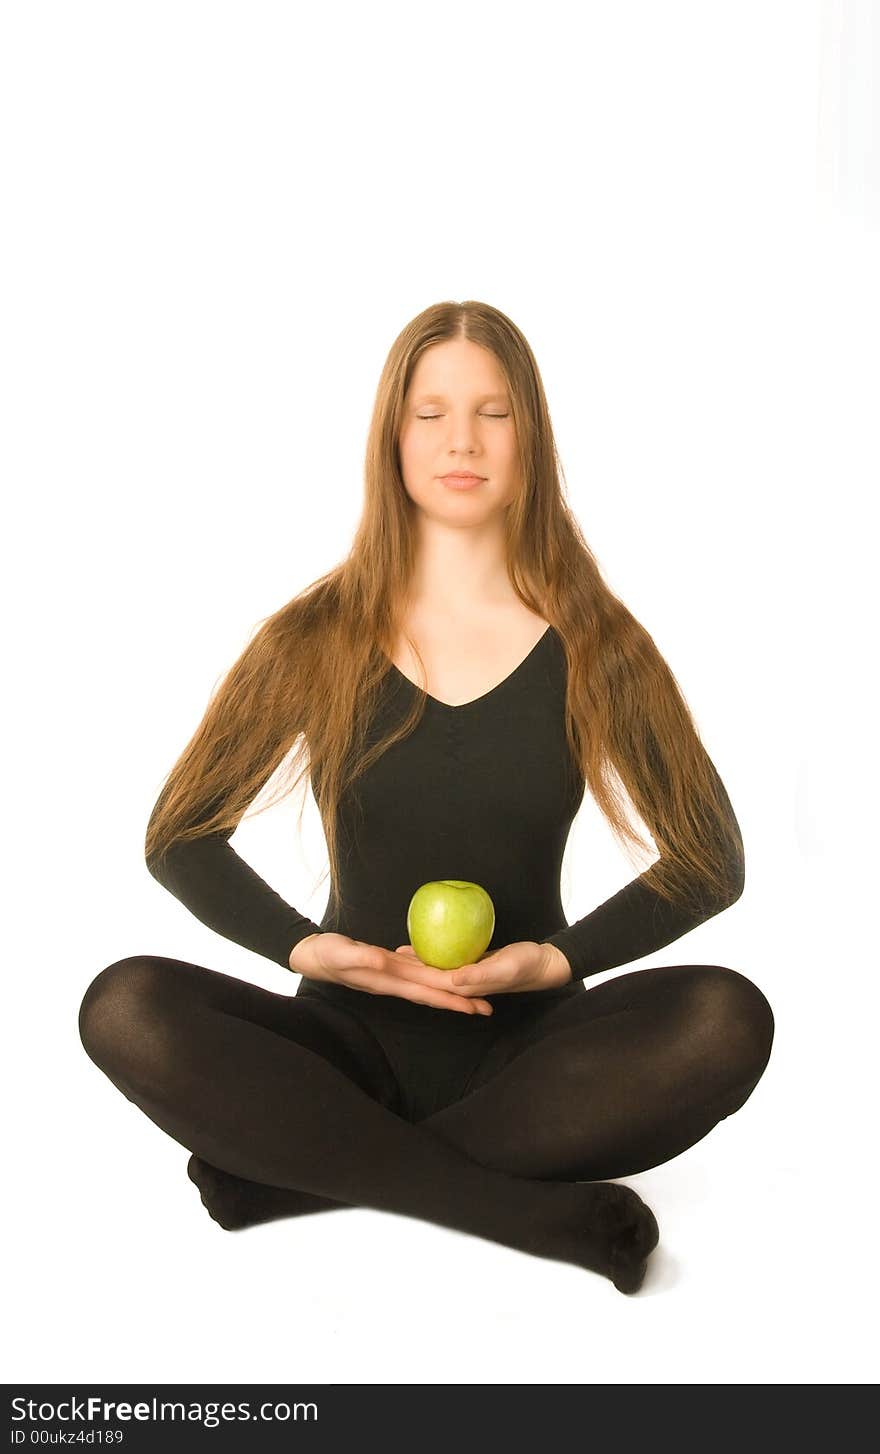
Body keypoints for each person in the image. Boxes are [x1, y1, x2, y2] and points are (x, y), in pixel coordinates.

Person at [77, 301, 774, 1296]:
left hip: (536, 1053)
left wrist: (556, 958)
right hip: (340, 1044)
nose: (461, 439)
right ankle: (511, 1206)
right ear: (390, 437)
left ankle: (301, 1175)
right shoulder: (312, 636)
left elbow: (710, 856)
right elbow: (179, 836)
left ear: (529, 435)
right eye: (430, 411)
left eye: (493, 412)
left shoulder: (598, 643)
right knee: (124, 1003)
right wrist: (304, 948)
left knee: (727, 1015)